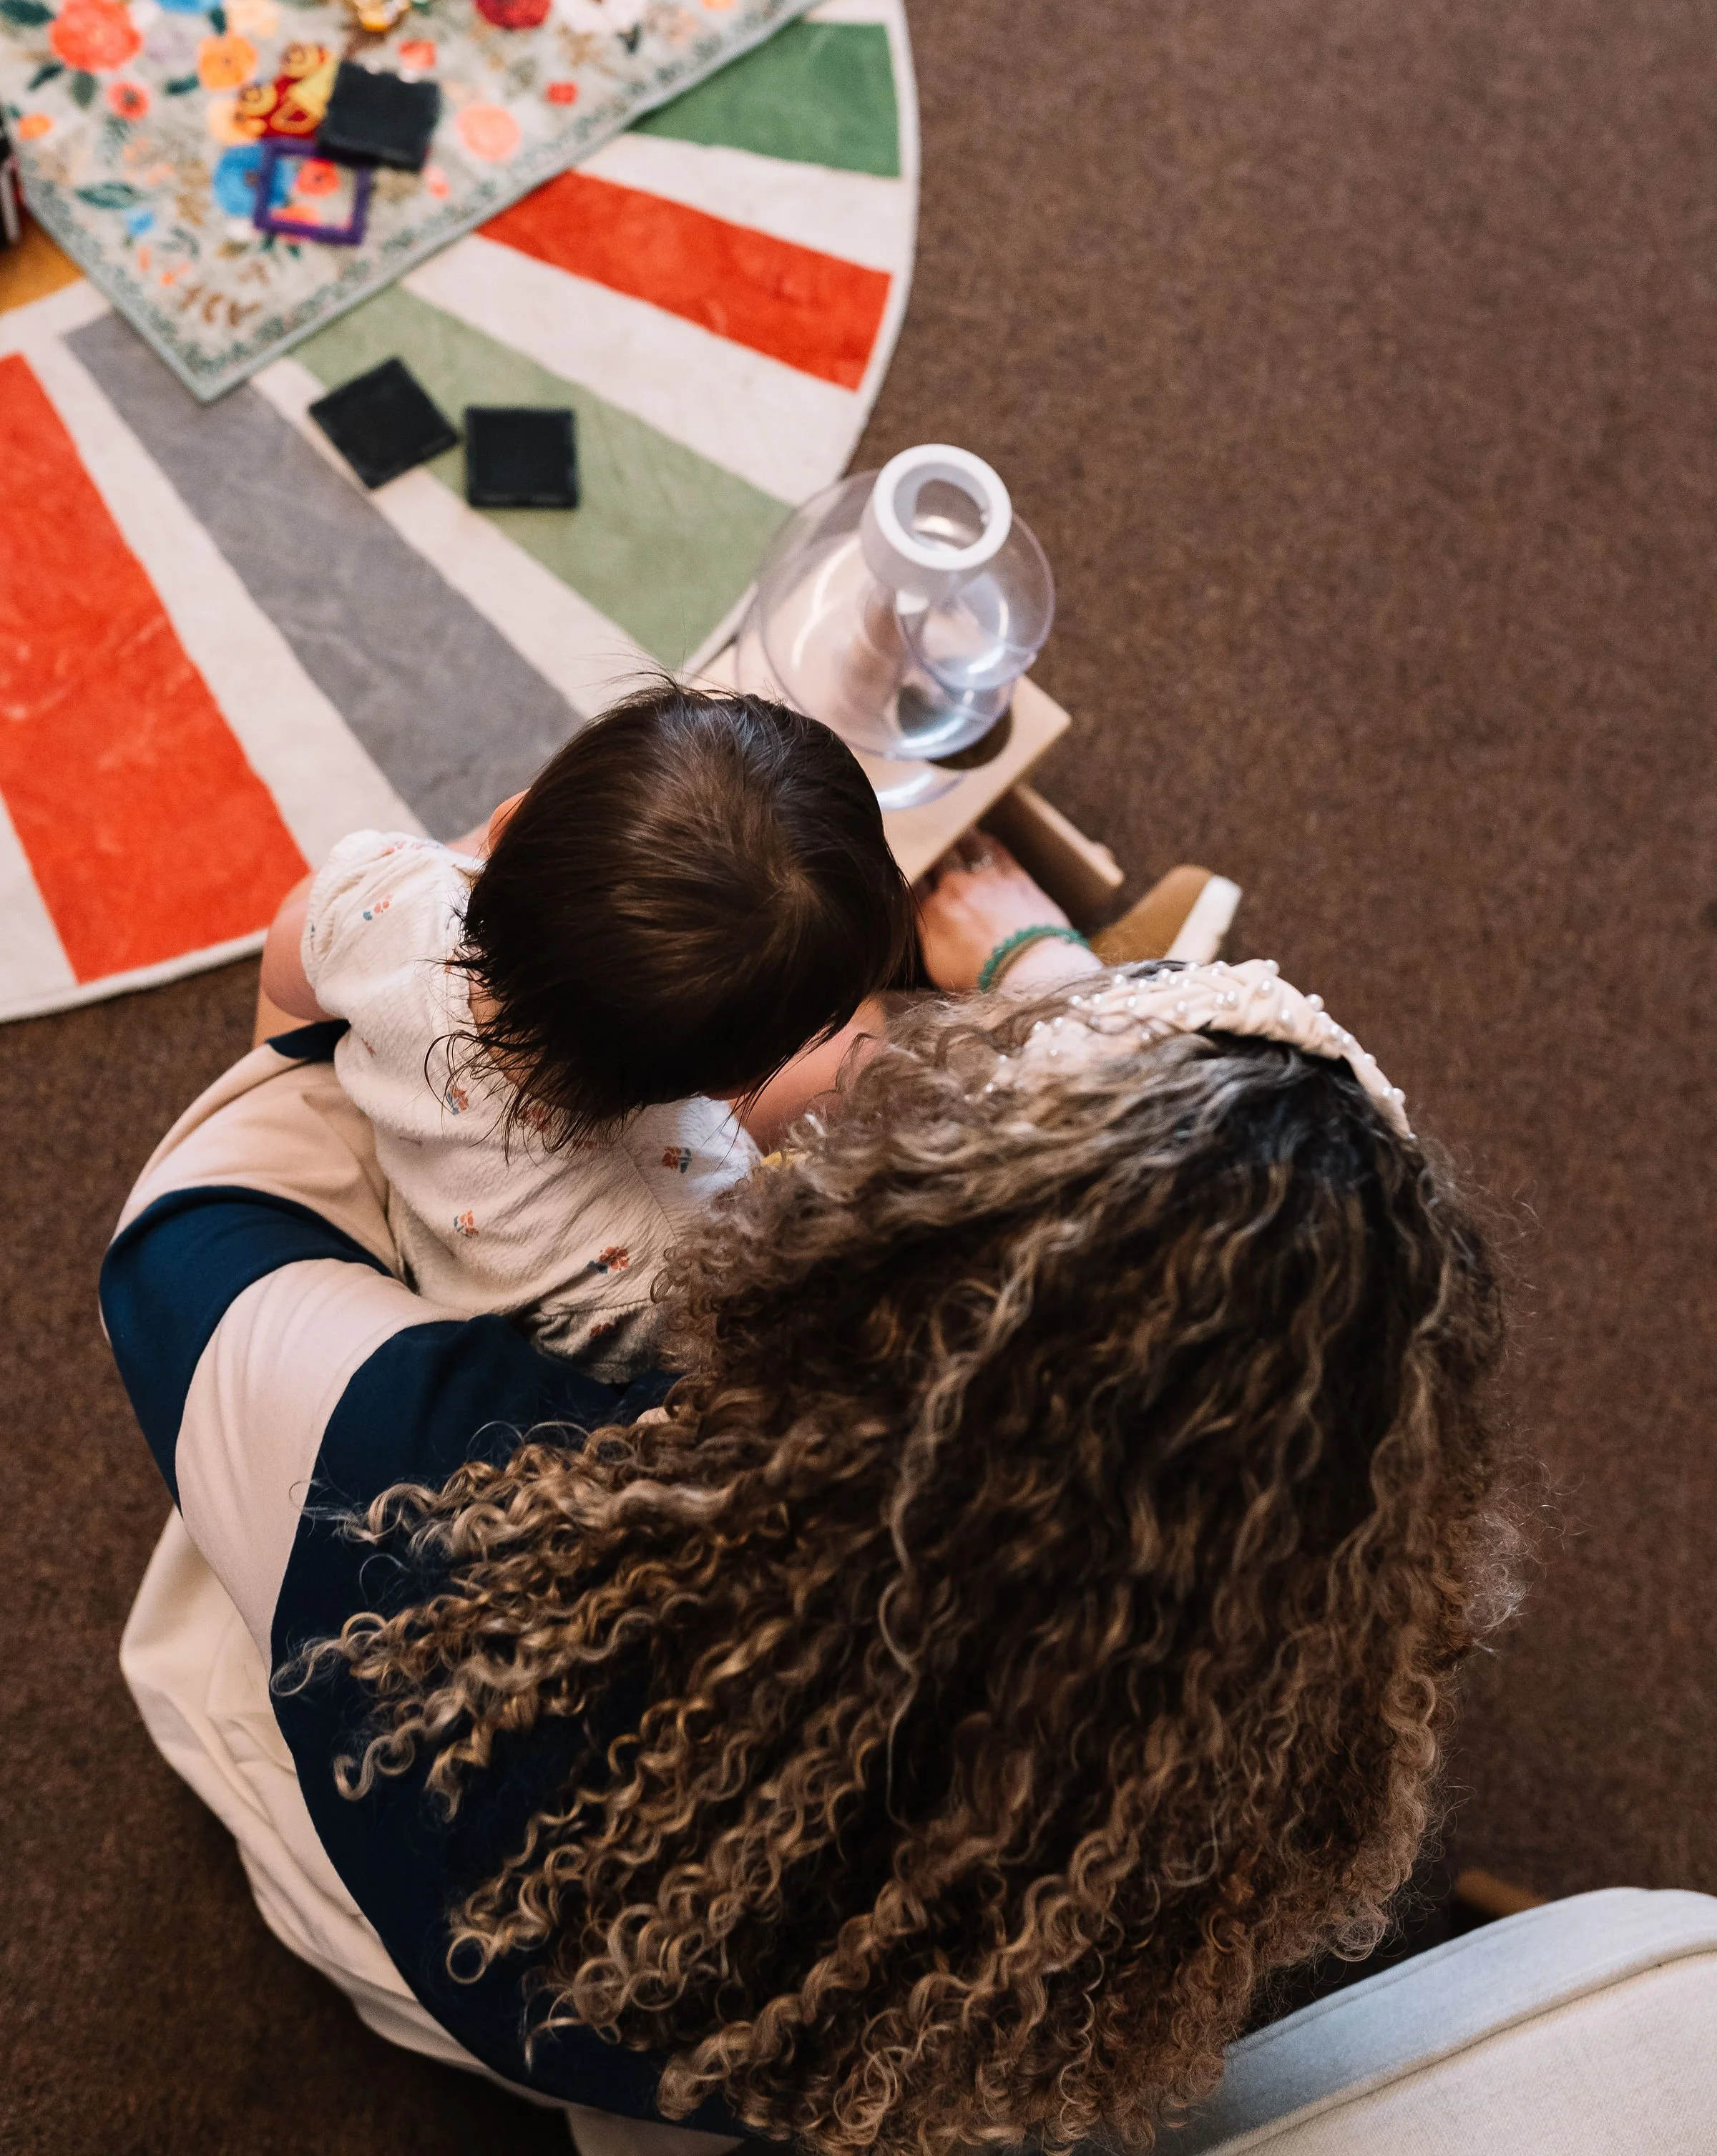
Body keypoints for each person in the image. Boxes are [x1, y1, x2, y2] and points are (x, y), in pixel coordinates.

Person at [105, 851, 1504, 2156]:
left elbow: (185, 1233)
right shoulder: (1253, 1715)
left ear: (862, 1252)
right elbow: (1227, 1313)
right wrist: (1038, 968)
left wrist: (441, 928)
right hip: (814, 2064)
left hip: (433, 1881)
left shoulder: (432, 1487)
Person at [256, 685, 917, 1371]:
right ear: (734, 1082)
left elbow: (287, 959)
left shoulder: (390, 902)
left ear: (507, 824)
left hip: (424, 1224)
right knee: (869, 1042)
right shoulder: (685, 1232)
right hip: (516, 1319)